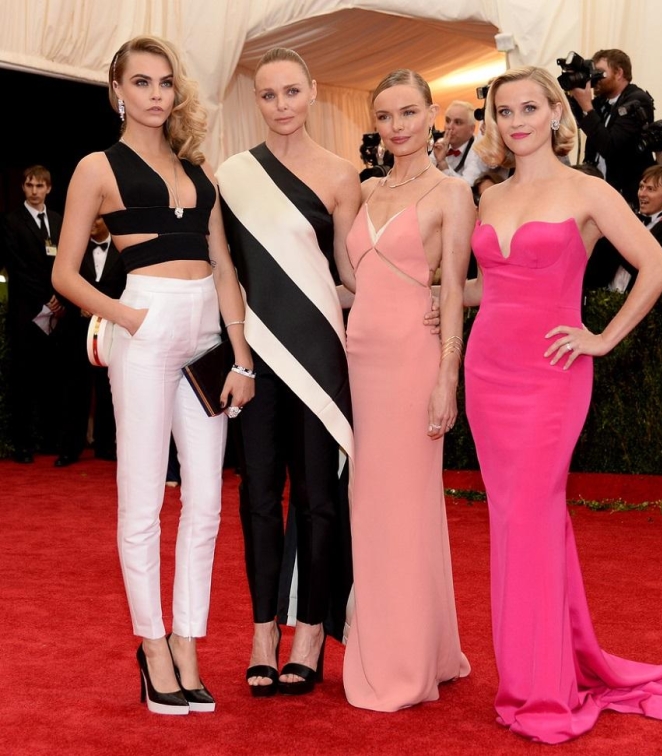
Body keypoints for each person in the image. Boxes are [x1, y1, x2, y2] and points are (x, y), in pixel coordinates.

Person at [464, 65, 662, 744]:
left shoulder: (587, 190)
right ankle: (546, 668)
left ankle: (539, 689)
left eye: (528, 107)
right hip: (487, 371)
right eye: (503, 110)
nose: (516, 121)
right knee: (517, 523)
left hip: (552, 374)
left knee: (529, 518)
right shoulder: (488, 198)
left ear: (555, 112)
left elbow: (656, 266)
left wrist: (602, 337)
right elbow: (490, 287)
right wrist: (415, 292)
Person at [52, 35, 255, 715]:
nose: (155, 94)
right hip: (143, 330)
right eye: (141, 82)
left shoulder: (199, 170)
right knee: (141, 503)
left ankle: (188, 641)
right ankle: (153, 644)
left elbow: (224, 267)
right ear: (116, 91)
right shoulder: (97, 167)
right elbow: (65, 274)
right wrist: (126, 317)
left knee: (206, 501)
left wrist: (242, 357)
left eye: (165, 82)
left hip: (207, 339)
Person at [216, 47, 359, 697]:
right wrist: (240, 356)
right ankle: (262, 632)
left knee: (318, 499)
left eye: (292, 91)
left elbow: (350, 275)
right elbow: (225, 271)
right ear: (257, 101)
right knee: (257, 498)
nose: (281, 105)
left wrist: (426, 294)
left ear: (312, 92)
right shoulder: (232, 174)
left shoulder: (341, 175)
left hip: (320, 355)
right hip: (258, 359)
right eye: (269, 94)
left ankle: (311, 631)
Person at [342, 68, 473, 712]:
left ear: (430, 116)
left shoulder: (453, 192)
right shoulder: (366, 188)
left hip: (412, 361)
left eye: (409, 113)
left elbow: (454, 292)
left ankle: (404, 662)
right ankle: (428, 646)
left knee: (405, 506)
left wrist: (448, 376)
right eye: (385, 115)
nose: (397, 126)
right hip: (358, 358)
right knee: (369, 504)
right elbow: (353, 280)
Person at [3, 165, 65, 463]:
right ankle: (23, 445)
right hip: (26, 312)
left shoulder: (58, 220)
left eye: (40, 186)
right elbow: (17, 268)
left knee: (52, 379)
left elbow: (66, 262)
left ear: (49, 188)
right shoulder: (11, 222)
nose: (34, 191)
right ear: (23, 187)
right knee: (23, 381)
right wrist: (46, 298)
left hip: (57, 313)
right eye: (29, 185)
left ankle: (51, 439)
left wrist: (59, 299)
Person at [53, 215, 125, 466]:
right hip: (76, 330)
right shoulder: (75, 248)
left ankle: (106, 445)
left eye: (98, 218)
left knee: (109, 388)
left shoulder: (122, 249)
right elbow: (60, 282)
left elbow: (129, 287)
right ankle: (69, 449)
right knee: (74, 389)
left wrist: (108, 309)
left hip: (112, 330)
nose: (92, 222)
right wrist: (78, 305)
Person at [569, 48, 655, 202]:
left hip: (625, 192)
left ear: (619, 73)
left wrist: (587, 106)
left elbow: (610, 146)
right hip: (597, 187)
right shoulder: (602, 101)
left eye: (600, 72)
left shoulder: (637, 101)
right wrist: (573, 90)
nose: (595, 78)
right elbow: (578, 120)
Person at [431, 100, 502, 186]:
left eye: (458, 122)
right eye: (448, 120)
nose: (450, 127)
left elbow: (466, 185)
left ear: (472, 129)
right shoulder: (440, 144)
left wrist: (442, 163)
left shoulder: (479, 152)